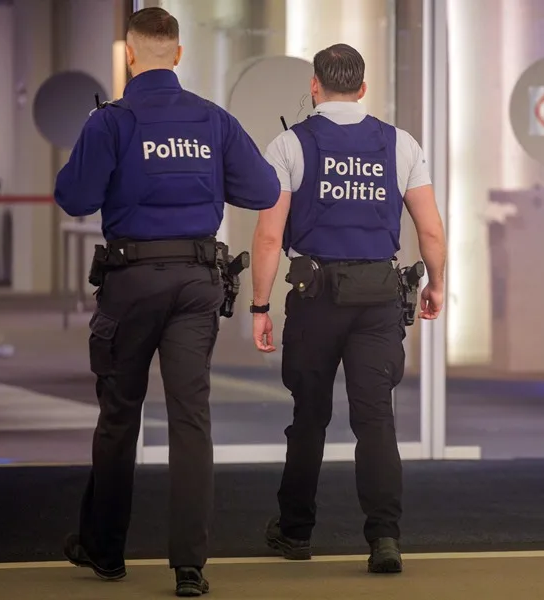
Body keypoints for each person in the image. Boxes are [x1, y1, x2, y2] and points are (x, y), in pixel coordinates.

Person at [53, 7, 280, 597]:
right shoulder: (213, 120)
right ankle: (189, 568)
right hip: (196, 280)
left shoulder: (112, 122)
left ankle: (105, 553)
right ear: (177, 54)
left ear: (131, 55)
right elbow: (262, 188)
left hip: (131, 282)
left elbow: (73, 198)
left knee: (120, 414)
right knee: (190, 419)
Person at [251, 43, 446, 574]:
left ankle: (295, 533)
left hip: (314, 299)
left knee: (309, 418)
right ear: (363, 88)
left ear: (315, 86)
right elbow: (429, 228)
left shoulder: (290, 144)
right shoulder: (400, 143)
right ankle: (384, 539)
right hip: (380, 298)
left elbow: (269, 237)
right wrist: (437, 285)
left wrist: (260, 305)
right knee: (375, 418)